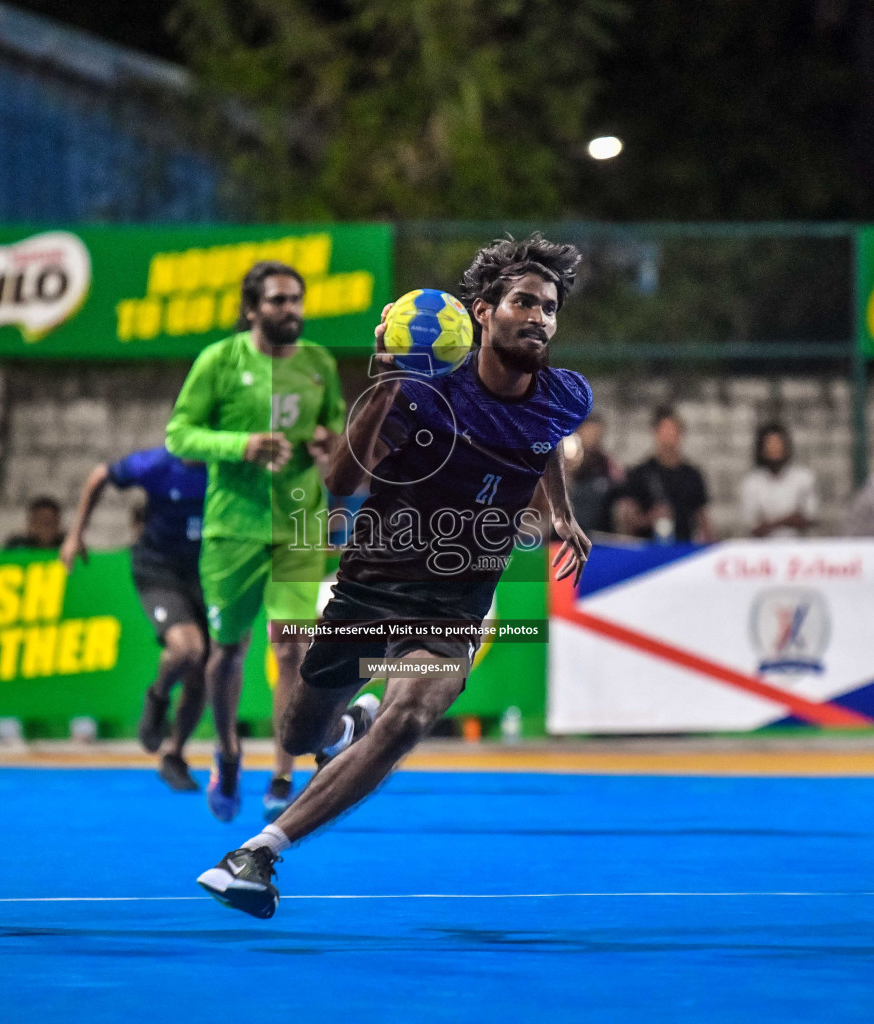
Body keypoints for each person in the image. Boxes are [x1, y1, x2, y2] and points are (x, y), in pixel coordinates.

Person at [196, 234, 593, 919]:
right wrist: (384, 386)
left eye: (550, 308)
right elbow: (339, 483)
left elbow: (546, 435)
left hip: (458, 603)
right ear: (482, 313)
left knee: (411, 715)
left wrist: (562, 510)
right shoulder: (425, 392)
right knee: (298, 737)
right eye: (523, 302)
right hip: (369, 587)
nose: (539, 318)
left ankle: (259, 853)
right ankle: (346, 727)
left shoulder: (565, 393)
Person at [165, 261, 344, 823]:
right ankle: (228, 751)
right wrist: (242, 445)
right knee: (229, 652)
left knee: (291, 645)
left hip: (299, 523)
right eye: (277, 301)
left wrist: (328, 446)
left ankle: (284, 768)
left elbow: (339, 434)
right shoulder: (219, 361)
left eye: (296, 300)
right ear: (251, 309)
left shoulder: (319, 364)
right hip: (233, 527)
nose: (289, 310)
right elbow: (179, 434)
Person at [60, 446, 208, 791]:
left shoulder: (226, 465)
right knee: (187, 650)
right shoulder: (156, 464)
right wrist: (75, 534)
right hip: (159, 570)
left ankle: (175, 754)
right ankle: (158, 696)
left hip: (207, 572)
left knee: (203, 669)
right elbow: (100, 475)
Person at [612, 406, 712, 543]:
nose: (670, 436)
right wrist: (649, 518)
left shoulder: (692, 475)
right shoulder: (640, 474)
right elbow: (627, 521)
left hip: (683, 548)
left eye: (674, 430)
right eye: (665, 430)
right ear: (656, 432)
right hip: (649, 550)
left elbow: (702, 518)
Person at [739, 423, 818, 538]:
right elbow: (753, 527)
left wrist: (770, 522)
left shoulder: (803, 477)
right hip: (763, 551)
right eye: (770, 444)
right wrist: (789, 519)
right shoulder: (751, 482)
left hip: (798, 549)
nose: (774, 449)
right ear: (761, 448)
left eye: (778, 444)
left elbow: (809, 518)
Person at [565, 414, 622, 535]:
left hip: (600, 534)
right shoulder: (565, 464)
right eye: (589, 433)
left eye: (597, 434)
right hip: (566, 533)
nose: (593, 439)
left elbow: (621, 491)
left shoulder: (609, 466)